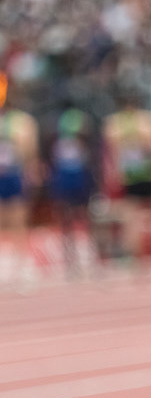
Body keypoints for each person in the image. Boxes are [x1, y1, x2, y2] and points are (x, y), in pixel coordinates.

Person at [102, 92, 151, 267]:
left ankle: (134, 258)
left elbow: (111, 155)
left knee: (131, 216)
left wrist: (113, 175)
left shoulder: (114, 124)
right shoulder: (149, 121)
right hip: (149, 173)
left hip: (130, 175)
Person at [0, 80, 40, 287]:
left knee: (18, 218)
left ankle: (23, 263)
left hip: (14, 174)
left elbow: (29, 148)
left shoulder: (21, 121)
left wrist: (29, 170)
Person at [48, 107, 96, 274]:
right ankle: (70, 258)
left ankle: (88, 254)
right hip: (67, 183)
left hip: (79, 182)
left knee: (83, 218)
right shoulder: (59, 144)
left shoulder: (81, 146)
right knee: (67, 220)